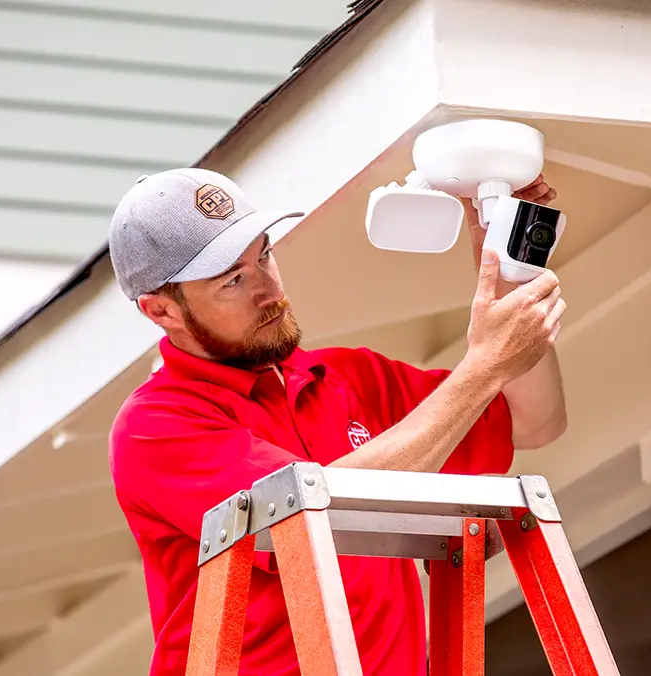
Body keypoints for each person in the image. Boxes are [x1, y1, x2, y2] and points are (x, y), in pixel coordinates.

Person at [106, 167, 567, 675]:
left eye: (264, 256)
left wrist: (510, 260)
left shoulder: (347, 377)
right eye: (233, 280)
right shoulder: (158, 425)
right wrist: (484, 367)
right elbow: (311, 519)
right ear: (161, 311)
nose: (267, 290)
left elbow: (534, 420)